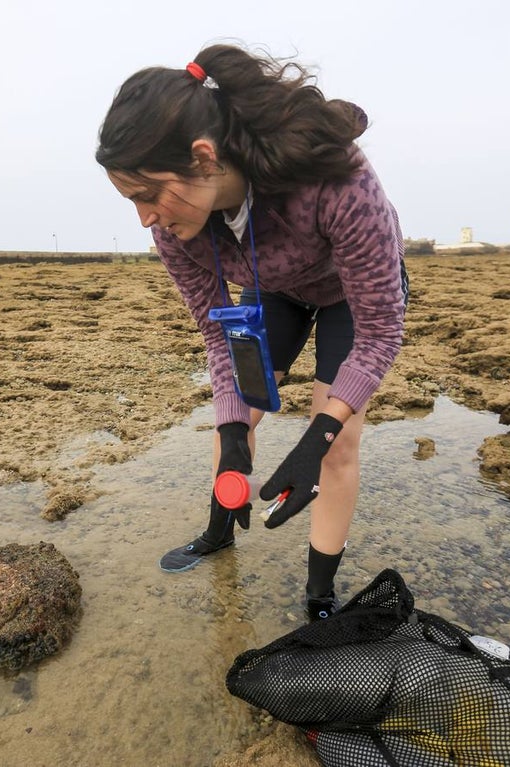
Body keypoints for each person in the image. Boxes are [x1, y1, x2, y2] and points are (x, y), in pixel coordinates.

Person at [96, 45, 407, 621]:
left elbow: (382, 332)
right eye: (131, 200)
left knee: (336, 446)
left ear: (204, 156)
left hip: (350, 297)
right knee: (235, 418)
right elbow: (220, 339)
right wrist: (235, 430)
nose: (145, 218)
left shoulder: (338, 180)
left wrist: (315, 439)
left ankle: (320, 596)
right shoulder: (176, 231)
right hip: (275, 289)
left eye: (148, 193)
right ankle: (219, 530)